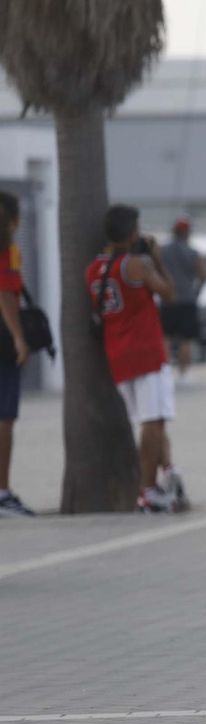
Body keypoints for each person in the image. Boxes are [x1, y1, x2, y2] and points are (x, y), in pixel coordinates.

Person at [87, 204, 186, 513]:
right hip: (146, 352)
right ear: (132, 233)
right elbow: (169, 293)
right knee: (152, 423)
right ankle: (147, 490)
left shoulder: (93, 269)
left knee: (151, 420)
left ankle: (168, 472)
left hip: (118, 354)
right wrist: (157, 260)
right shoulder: (137, 265)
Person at [0, 191, 34, 517]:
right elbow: (6, 295)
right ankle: (2, 493)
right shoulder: (8, 251)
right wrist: (19, 339)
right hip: (2, 342)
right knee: (4, 418)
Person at [158, 217, 206, 382]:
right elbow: (203, 275)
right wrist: (196, 292)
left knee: (165, 337)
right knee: (185, 339)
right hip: (187, 299)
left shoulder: (162, 251)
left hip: (167, 299)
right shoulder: (193, 253)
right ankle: (183, 374)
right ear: (187, 233)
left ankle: (165, 372)